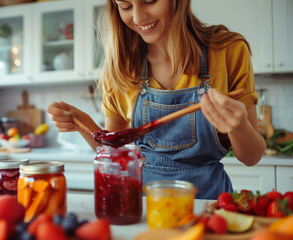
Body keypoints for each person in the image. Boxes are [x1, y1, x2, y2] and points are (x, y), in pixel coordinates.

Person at [47, 0, 266, 199]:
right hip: (144, 207)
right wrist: (82, 123)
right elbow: (114, 153)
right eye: (126, 6)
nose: (139, 17)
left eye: (149, 0)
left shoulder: (228, 50)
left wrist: (238, 127)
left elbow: (251, 157)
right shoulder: (120, 69)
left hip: (209, 205)